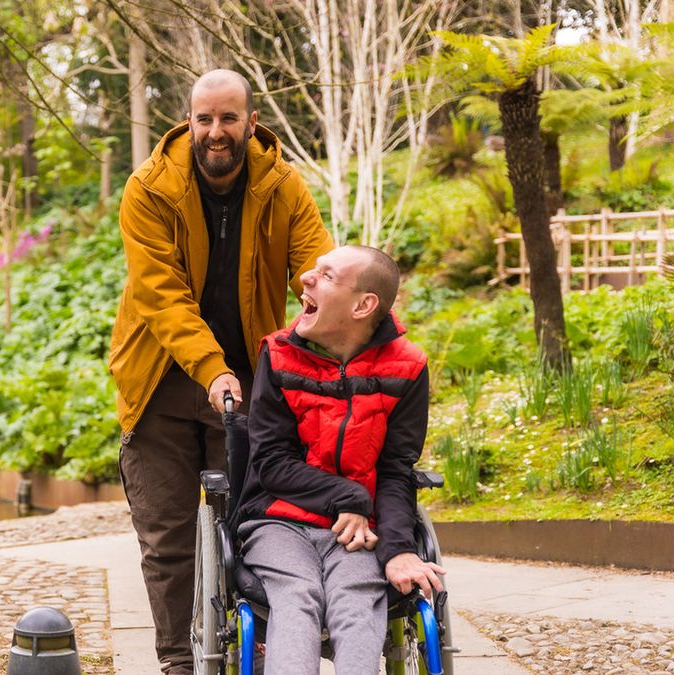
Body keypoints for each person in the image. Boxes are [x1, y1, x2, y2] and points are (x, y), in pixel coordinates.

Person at [108, 69, 334, 674]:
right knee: (168, 541)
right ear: (188, 121)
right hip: (160, 382)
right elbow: (161, 297)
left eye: (229, 118)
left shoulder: (284, 187)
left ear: (251, 123)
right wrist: (211, 368)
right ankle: (178, 663)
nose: (215, 131)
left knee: (254, 527)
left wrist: (346, 325)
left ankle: (249, 647)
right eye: (204, 119)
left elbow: (318, 274)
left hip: (247, 384)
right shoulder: (149, 189)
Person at [232, 244, 446, 674]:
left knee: (356, 595)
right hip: (278, 518)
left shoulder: (407, 368)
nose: (306, 278)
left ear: (364, 305)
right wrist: (347, 496)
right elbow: (270, 462)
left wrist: (399, 549)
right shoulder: (278, 355)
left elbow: (395, 470)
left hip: (359, 530)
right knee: (298, 593)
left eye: (326, 276)